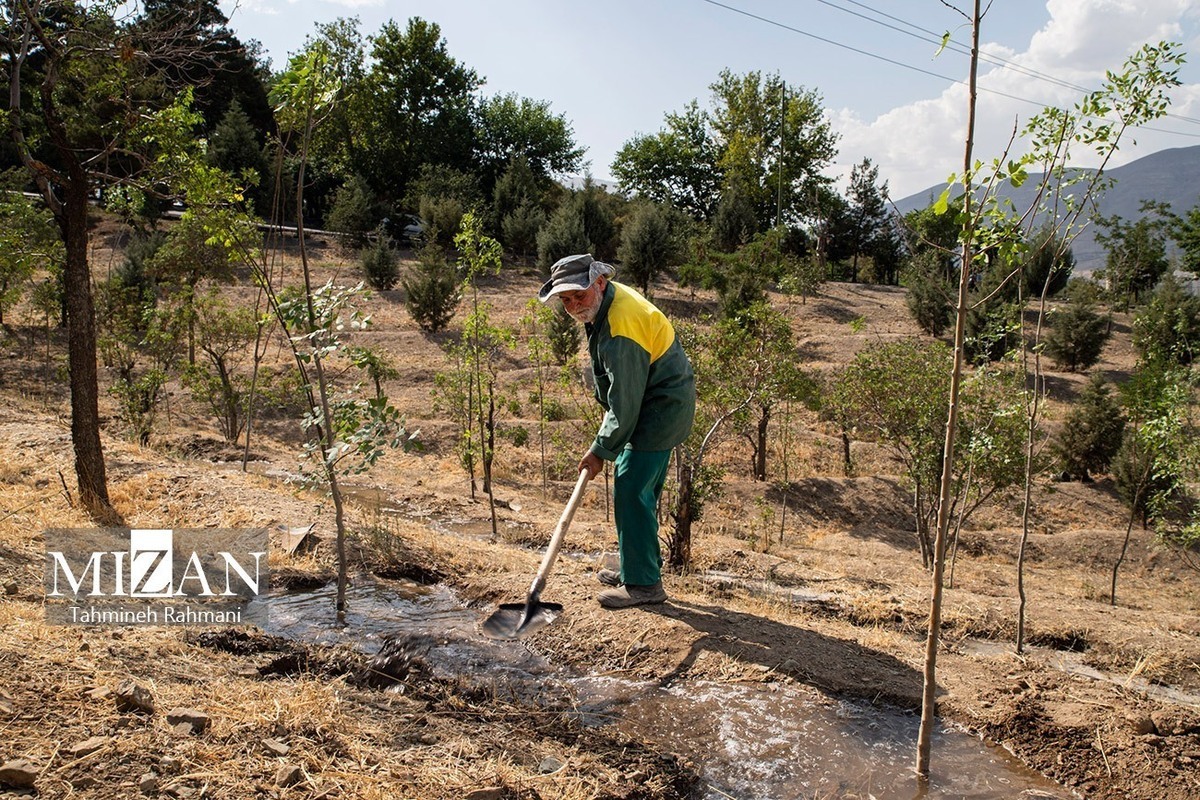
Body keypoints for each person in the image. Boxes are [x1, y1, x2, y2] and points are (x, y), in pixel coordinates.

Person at [538, 253, 696, 608]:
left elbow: (625, 403)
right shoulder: (603, 305)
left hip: (658, 409)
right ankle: (636, 564)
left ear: (600, 282)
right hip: (648, 404)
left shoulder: (622, 324)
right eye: (566, 300)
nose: (574, 305)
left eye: (579, 295)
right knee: (638, 490)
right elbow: (620, 395)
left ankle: (643, 586)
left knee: (630, 487)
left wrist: (599, 451)